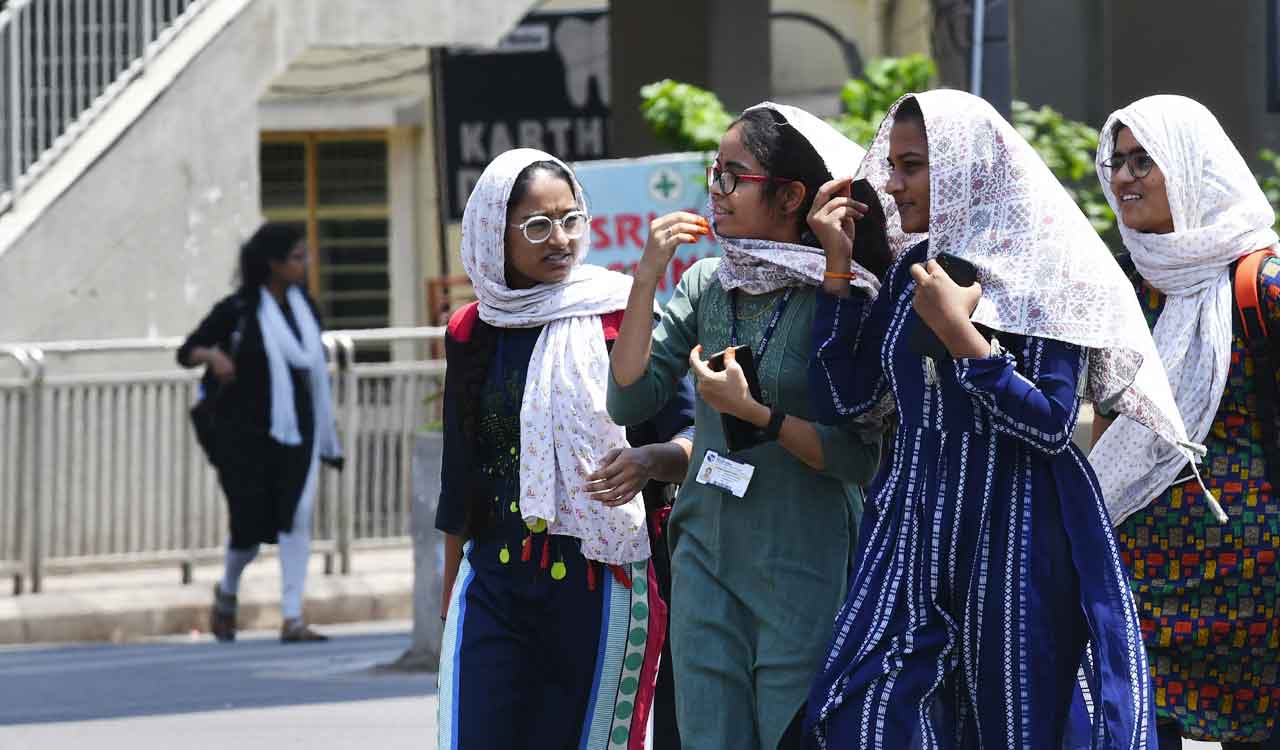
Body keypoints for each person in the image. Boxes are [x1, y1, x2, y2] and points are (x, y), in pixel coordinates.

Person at [803, 90, 1195, 749]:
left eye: (911, 166)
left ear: (964, 168)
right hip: (912, 527)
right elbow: (846, 400)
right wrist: (837, 269)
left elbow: (1050, 423)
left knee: (1013, 721)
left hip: (1015, 529)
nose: (891, 185)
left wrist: (964, 339)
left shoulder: (1048, 273)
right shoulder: (911, 273)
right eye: (892, 165)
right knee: (865, 715)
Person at [608, 102, 888, 750]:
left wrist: (757, 416)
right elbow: (628, 402)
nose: (717, 190)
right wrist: (647, 277)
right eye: (714, 172)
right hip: (706, 551)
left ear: (790, 195)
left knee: (795, 732)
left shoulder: (840, 296)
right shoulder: (707, 282)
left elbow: (856, 459)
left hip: (803, 560)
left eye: (735, 175)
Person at [434, 148, 694, 750]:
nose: (560, 239)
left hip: (602, 585)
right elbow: (460, 474)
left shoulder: (620, 314)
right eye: (537, 225)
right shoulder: (472, 331)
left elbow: (690, 433)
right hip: (494, 582)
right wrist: (449, 603)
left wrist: (651, 460)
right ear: (494, 232)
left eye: (571, 219)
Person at [1090, 94, 1280, 750]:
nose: (1123, 177)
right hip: (1143, 583)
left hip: (1255, 593)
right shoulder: (1123, 290)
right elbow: (1107, 430)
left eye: (1144, 160)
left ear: (1191, 165)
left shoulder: (1264, 285)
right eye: (1115, 162)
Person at [178, 223, 343, 644]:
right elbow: (187, 351)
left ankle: (292, 617)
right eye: (297, 258)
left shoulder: (305, 308)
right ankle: (227, 590)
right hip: (245, 435)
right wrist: (213, 356)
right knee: (249, 529)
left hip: (298, 431)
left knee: (297, 517)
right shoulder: (238, 310)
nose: (305, 265)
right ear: (272, 263)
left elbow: (309, 368)